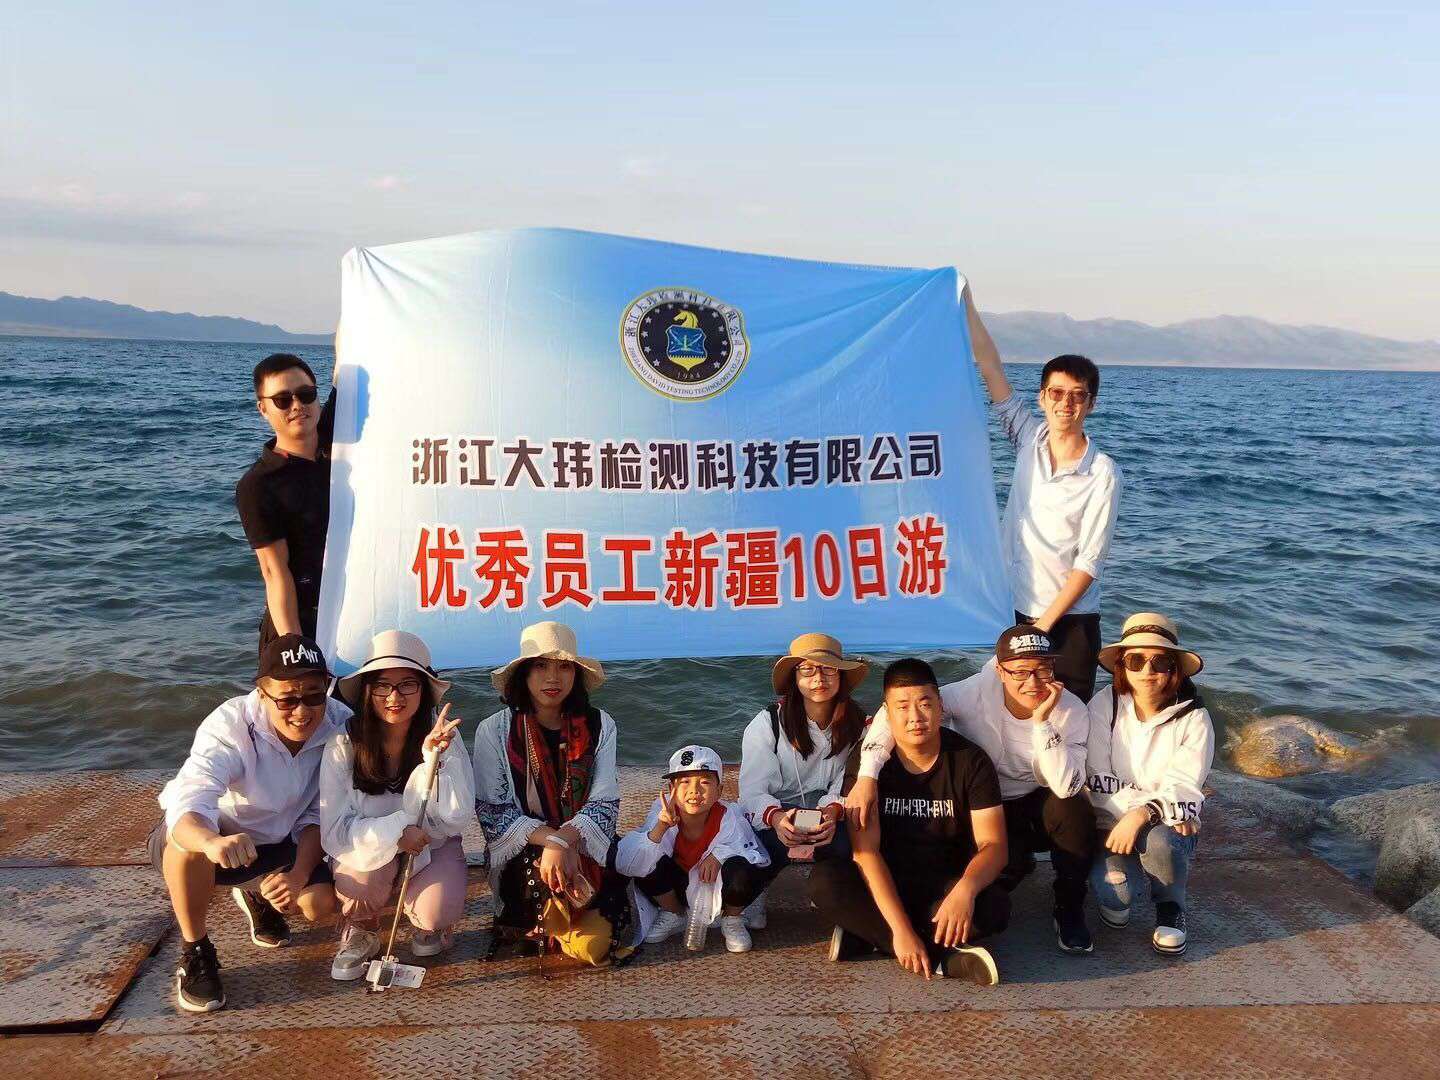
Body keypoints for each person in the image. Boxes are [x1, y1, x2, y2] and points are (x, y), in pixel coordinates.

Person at [846, 625, 1097, 953]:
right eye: (1020, 672)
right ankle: (908, 932)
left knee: (1074, 808)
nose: (1033, 682)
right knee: (999, 879)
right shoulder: (971, 693)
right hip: (981, 801)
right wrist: (868, 775)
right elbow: (901, 708)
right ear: (1000, 671)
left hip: (1038, 799)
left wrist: (1043, 722)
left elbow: (1064, 786)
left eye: (1043, 669)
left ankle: (1069, 906)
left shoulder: (1072, 710)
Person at [151, 634, 346, 1013]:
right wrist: (210, 841)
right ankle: (195, 950)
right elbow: (190, 800)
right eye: (287, 699)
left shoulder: (340, 724)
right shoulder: (230, 724)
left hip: (282, 841)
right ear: (261, 693)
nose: (302, 711)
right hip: (221, 837)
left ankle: (254, 892)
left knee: (318, 904)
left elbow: (321, 813)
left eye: (314, 695)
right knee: (187, 846)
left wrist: (298, 874)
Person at [963, 285, 1121, 702]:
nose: (1066, 403)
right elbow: (990, 367)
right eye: (1057, 393)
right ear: (1043, 397)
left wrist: (1043, 625)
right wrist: (967, 303)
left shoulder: (1102, 472)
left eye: (1077, 396)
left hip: (1070, 622)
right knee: (1012, 712)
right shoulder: (1028, 438)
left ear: (1091, 404)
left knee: (1069, 719)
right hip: (1015, 607)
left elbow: (1089, 562)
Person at [811, 658, 1010, 985]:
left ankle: (868, 937)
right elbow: (866, 853)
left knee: (996, 906)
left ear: (940, 706)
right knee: (824, 881)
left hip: (945, 882)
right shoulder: (868, 766)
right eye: (902, 706)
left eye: (925, 704)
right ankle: (940, 957)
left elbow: (994, 845)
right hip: (888, 881)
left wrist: (965, 890)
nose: (915, 717)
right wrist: (901, 933)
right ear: (886, 713)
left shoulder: (970, 760)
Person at [472, 621, 633, 965]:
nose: (552, 678)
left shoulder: (601, 724)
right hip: (526, 847)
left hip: (584, 840)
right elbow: (493, 812)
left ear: (576, 674)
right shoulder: (494, 730)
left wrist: (567, 840)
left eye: (564, 667)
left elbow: (605, 802)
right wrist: (553, 842)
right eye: (541, 666)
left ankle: (558, 925)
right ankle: (546, 921)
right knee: (546, 904)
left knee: (596, 941)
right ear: (524, 674)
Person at [320, 630, 475, 980]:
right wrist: (397, 832)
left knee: (435, 914)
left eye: (407, 684)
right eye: (382, 685)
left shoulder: (443, 736)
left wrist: (434, 759)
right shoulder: (344, 741)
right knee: (359, 889)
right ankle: (363, 926)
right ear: (367, 690)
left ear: (423, 689)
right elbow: (335, 829)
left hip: (431, 844)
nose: (394, 697)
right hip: (366, 846)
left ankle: (427, 919)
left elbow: (456, 817)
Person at [1086, 612, 1214, 956]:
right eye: (1136, 660)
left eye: (1160, 662)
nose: (1147, 670)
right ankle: (1119, 875)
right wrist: (1154, 807)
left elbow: (1185, 785)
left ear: (1175, 668)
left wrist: (1145, 814)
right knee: (1117, 899)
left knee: (1162, 841)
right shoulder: (1104, 704)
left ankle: (1171, 907)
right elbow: (1097, 779)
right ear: (1122, 666)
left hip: (1163, 825)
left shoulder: (1195, 717)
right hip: (1110, 821)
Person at [736, 633, 866, 931]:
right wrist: (778, 818)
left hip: (829, 814)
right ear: (794, 678)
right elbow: (753, 791)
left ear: (841, 675)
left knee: (855, 838)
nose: (818, 678)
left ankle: (832, 893)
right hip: (777, 814)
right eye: (807, 669)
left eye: (828, 668)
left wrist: (831, 813)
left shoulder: (860, 725)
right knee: (750, 855)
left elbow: (850, 783)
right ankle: (755, 891)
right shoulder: (767, 723)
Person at [616, 745, 770, 953]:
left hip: (715, 889)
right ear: (671, 789)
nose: (694, 791)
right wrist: (660, 828)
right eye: (685, 782)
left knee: (743, 870)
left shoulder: (730, 816)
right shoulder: (661, 812)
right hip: (680, 886)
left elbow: (757, 856)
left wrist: (720, 855)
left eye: (705, 782)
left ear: (719, 790)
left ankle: (732, 918)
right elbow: (629, 864)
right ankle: (675, 914)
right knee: (647, 860)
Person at [235, 352, 336, 654]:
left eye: (306, 394)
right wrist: (298, 652)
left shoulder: (340, 442)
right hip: (301, 624)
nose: (297, 405)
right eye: (282, 399)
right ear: (263, 408)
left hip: (359, 614)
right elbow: (275, 573)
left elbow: (349, 361)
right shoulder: (259, 484)